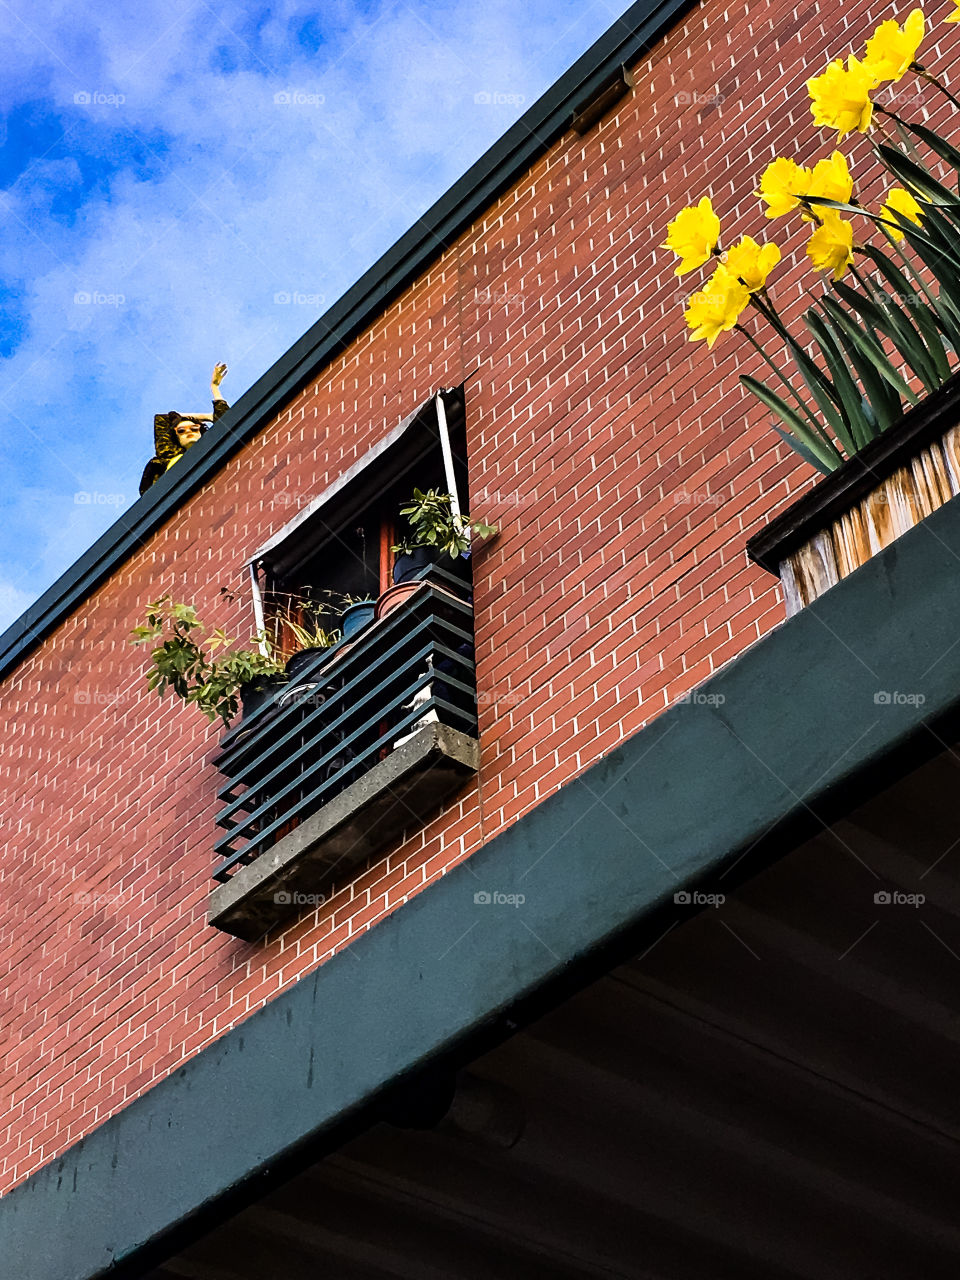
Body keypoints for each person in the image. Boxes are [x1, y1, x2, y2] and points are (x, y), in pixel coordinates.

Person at [139, 363, 229, 495]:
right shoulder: (169, 453)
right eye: (181, 431)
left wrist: (214, 388)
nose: (188, 432)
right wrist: (207, 417)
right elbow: (163, 418)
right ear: (175, 437)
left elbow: (228, 422)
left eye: (194, 428)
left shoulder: (211, 447)